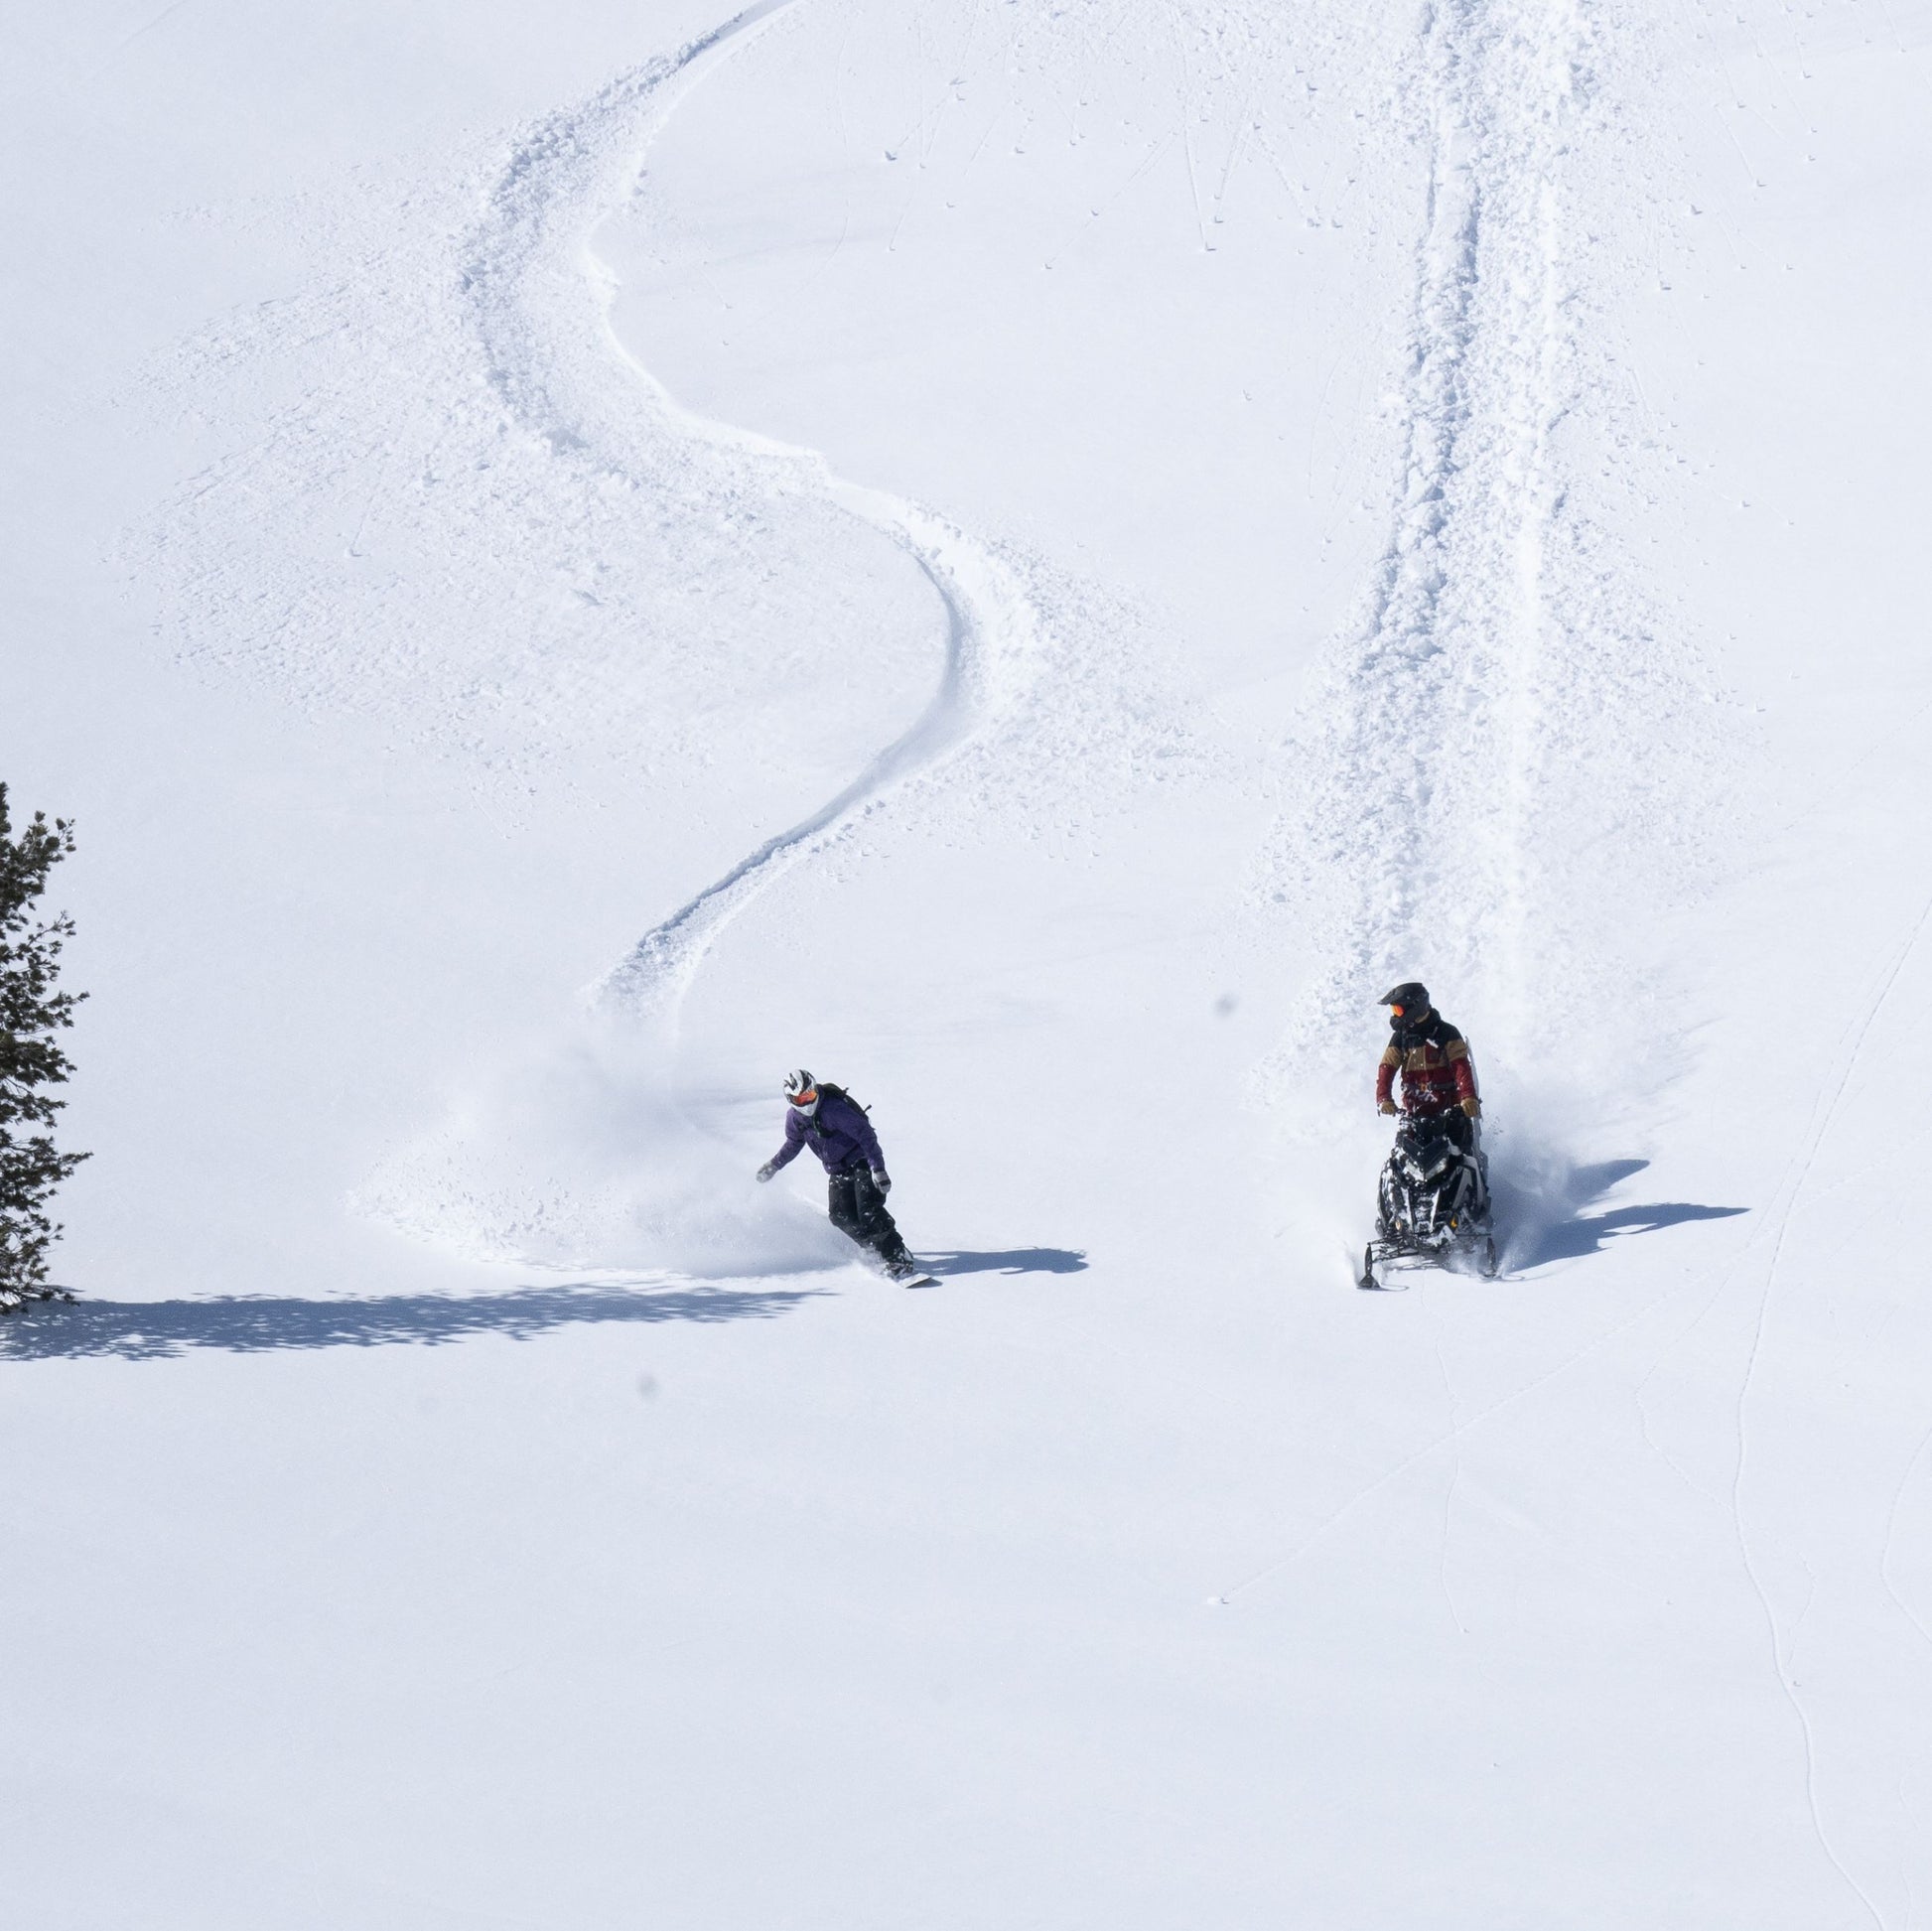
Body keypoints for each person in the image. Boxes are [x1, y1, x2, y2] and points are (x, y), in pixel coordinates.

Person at [757, 1069, 916, 1277]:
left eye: (810, 1095)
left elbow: (866, 1135)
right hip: (838, 1169)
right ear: (791, 1100)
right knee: (840, 1216)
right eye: (802, 1099)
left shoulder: (833, 1109)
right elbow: (793, 1144)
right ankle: (875, 1249)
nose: (808, 1101)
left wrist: (878, 1169)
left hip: (861, 1161)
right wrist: (773, 1165)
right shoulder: (795, 1118)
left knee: (868, 1210)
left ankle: (898, 1257)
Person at [1375, 981, 1481, 1154]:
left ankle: (1471, 1169)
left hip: (1449, 1110)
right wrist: (1383, 1098)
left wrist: (1468, 1097)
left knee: (1461, 1151)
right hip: (1414, 1112)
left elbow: (1461, 1066)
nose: (1395, 1015)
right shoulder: (1400, 1038)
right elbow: (1386, 1067)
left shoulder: (1447, 1033)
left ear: (1415, 1007)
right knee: (1400, 1156)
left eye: (1398, 1010)